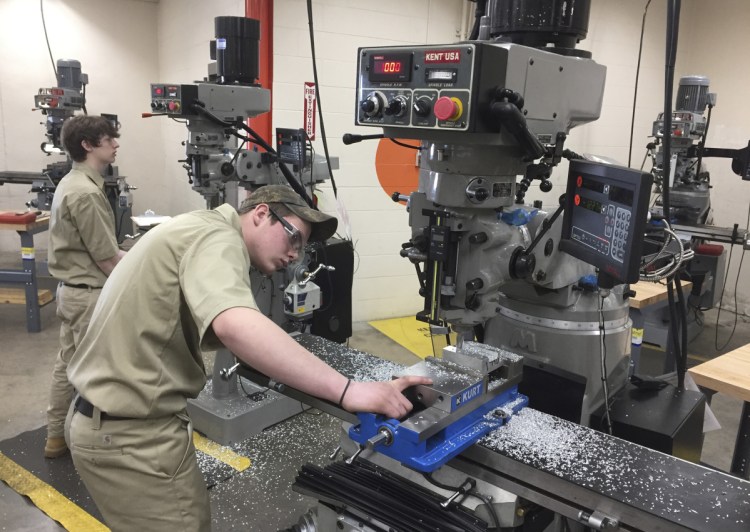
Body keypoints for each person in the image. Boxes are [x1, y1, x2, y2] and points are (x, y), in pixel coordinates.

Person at [65, 184, 430, 531]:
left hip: (114, 421)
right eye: (294, 238)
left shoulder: (195, 227)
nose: (294, 255)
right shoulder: (216, 238)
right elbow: (235, 326)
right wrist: (347, 390)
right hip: (132, 437)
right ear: (260, 214)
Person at [44, 115, 126, 458]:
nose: (116, 144)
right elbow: (107, 260)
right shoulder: (86, 194)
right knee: (99, 372)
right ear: (88, 145)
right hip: (88, 297)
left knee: (67, 364)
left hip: (71, 292)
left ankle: (55, 438)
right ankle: (96, 446)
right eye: (109, 139)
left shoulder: (72, 182)